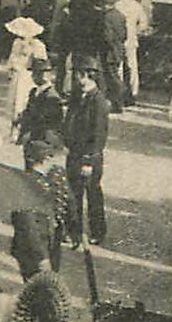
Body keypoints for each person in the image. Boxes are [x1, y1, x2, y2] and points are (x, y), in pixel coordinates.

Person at [63, 55, 110, 247]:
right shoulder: (77, 95)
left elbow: (98, 135)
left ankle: (97, 231)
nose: (77, 79)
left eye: (81, 75)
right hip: (74, 153)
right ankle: (73, 231)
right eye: (76, 75)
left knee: (92, 194)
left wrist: (88, 162)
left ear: (89, 76)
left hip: (89, 157)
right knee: (73, 194)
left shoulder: (98, 101)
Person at [10, 134, 71, 280]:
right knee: (36, 287)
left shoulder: (50, 178)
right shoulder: (24, 187)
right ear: (45, 159)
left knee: (50, 282)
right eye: (53, 157)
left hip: (50, 243)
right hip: (32, 251)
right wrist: (41, 257)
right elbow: (28, 228)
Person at [3, 16, 48, 124]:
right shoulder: (17, 43)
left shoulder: (38, 45)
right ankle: (15, 128)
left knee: (26, 101)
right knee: (16, 102)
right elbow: (12, 59)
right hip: (18, 75)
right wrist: (11, 70)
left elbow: (42, 62)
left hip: (30, 76)